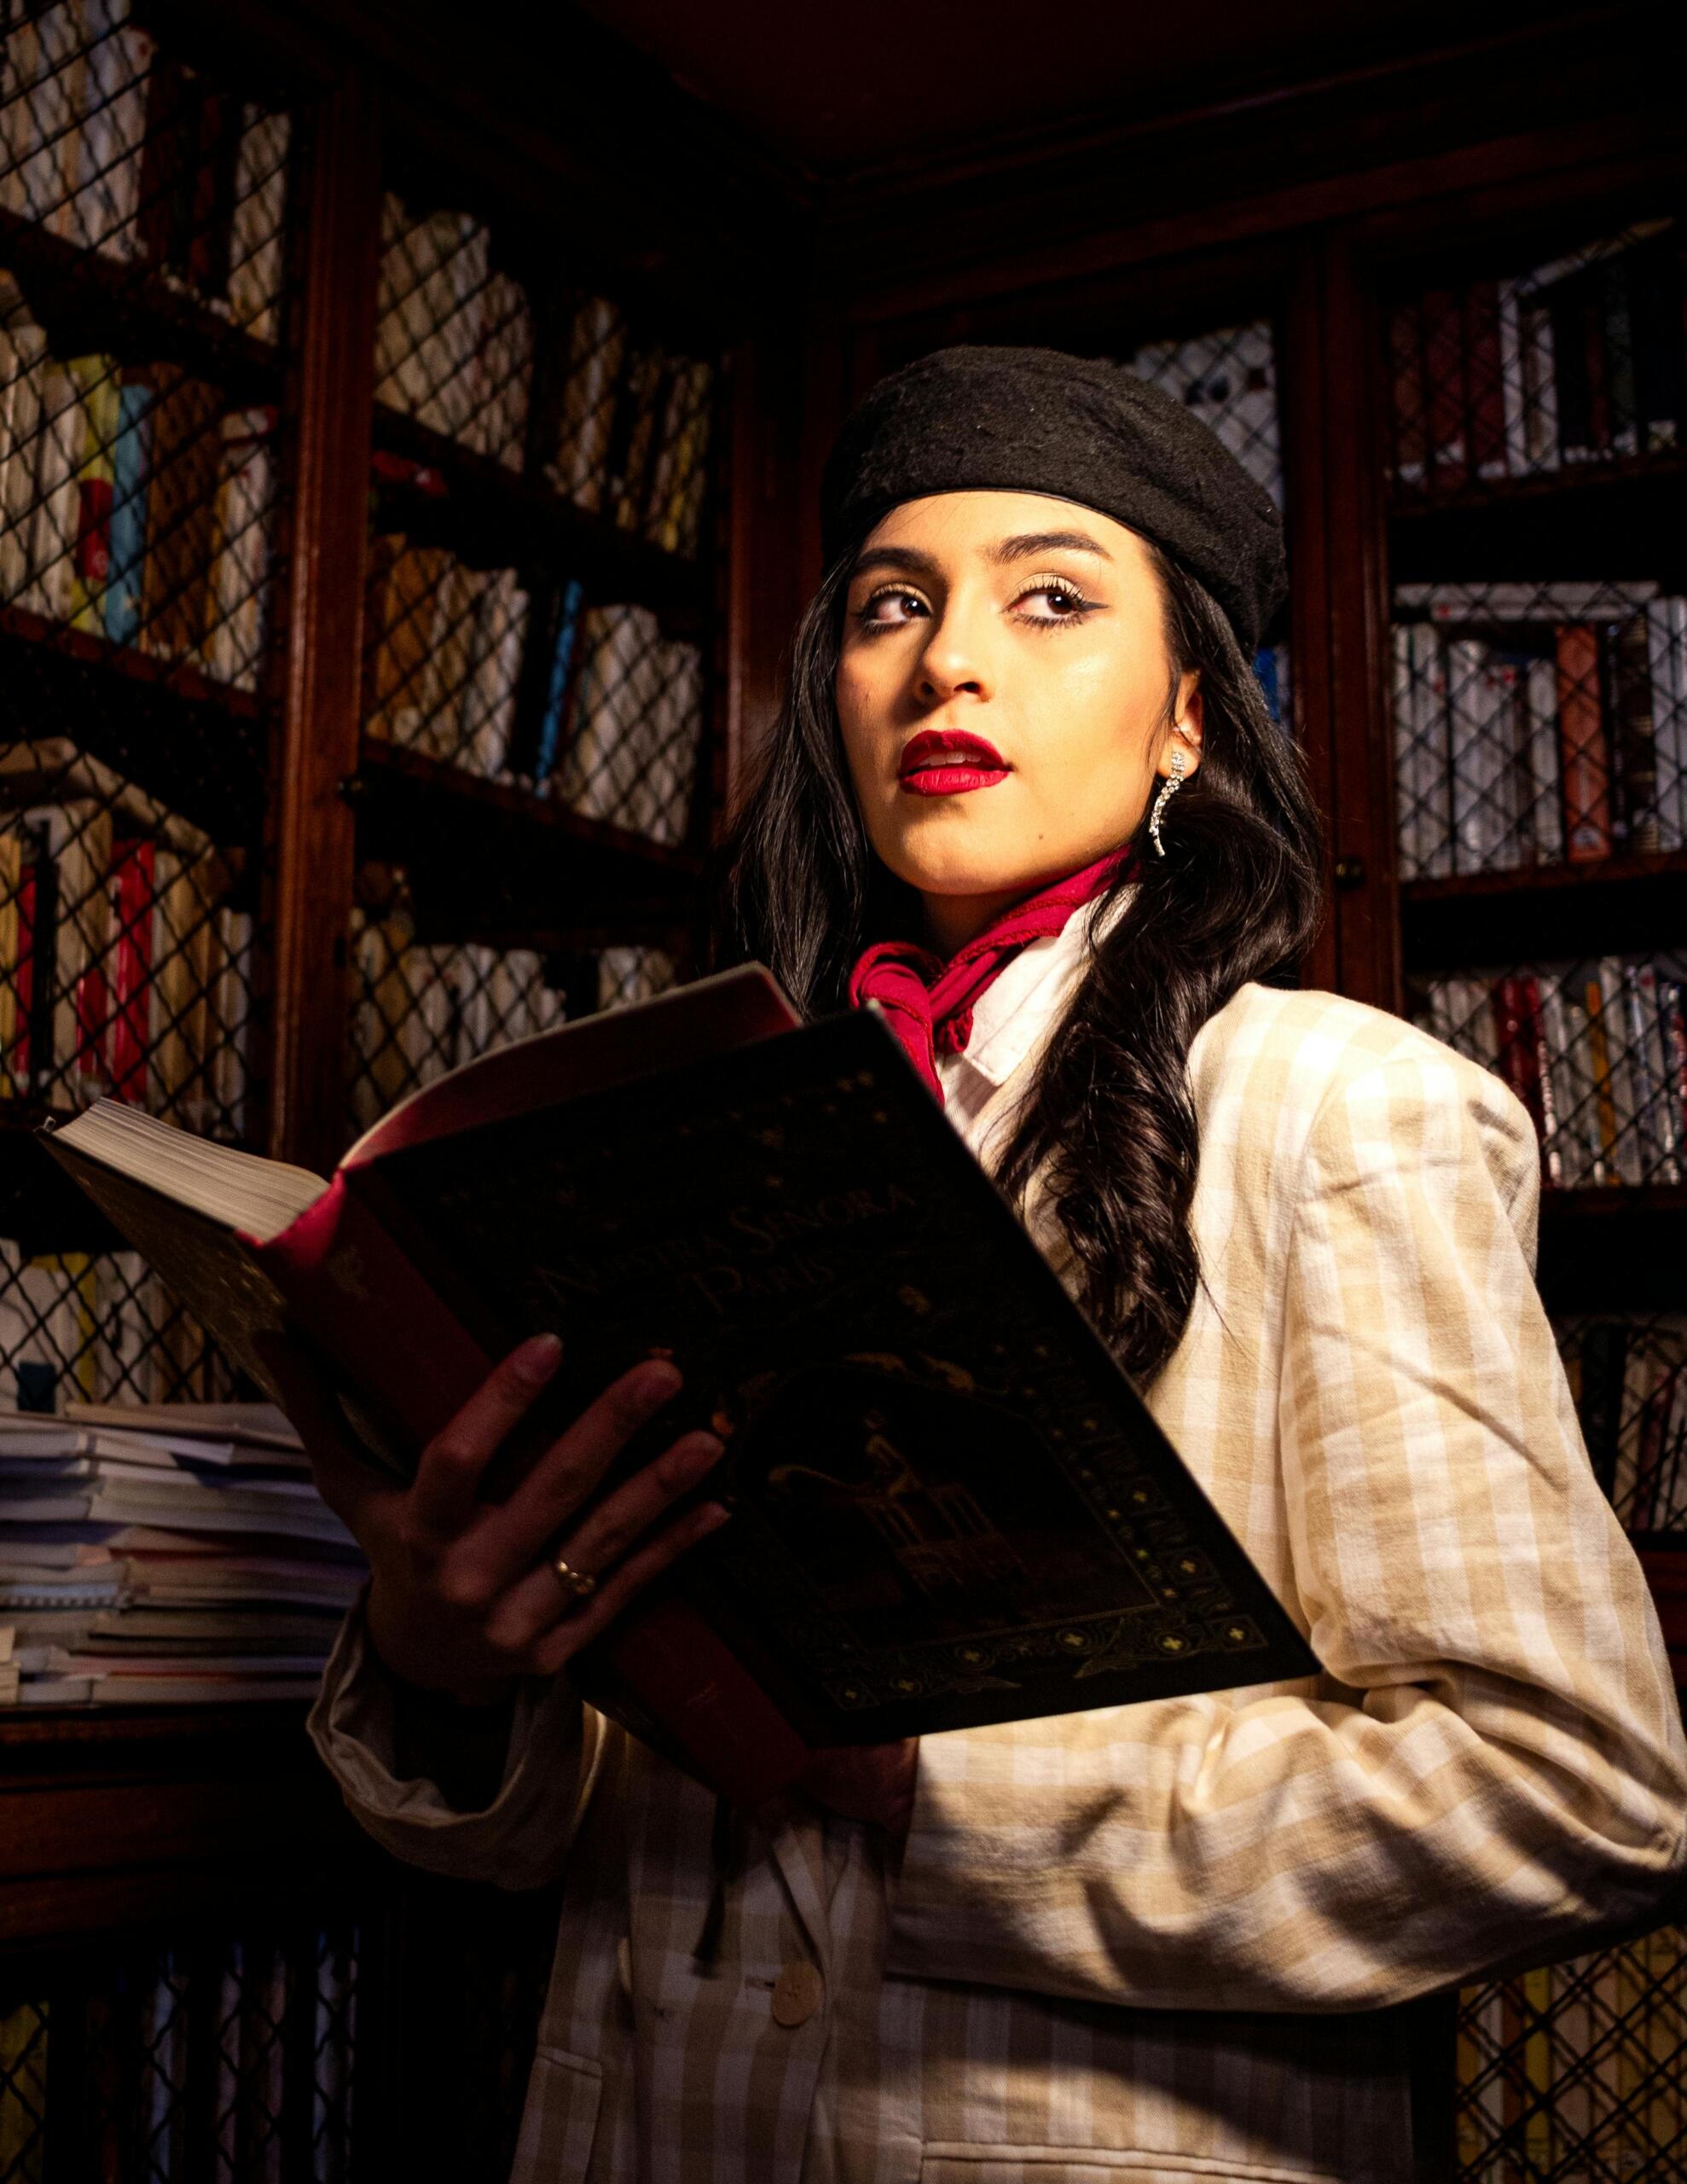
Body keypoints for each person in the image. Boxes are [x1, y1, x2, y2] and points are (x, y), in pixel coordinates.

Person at [287, 345, 1687, 2184]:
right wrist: (447, 1665)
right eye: (890, 606)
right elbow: (551, 1841)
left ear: (1185, 712)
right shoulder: (696, 1138)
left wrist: (931, 1793)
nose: (948, 658)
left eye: (1048, 600)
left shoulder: (1331, 1108)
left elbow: (1566, 1786)